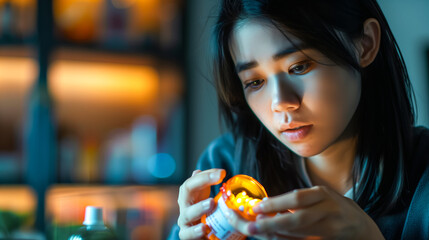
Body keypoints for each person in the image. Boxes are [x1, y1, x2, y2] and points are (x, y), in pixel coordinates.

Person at [170, 0, 429, 239]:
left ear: (366, 43)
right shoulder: (224, 171)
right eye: (255, 82)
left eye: (299, 67)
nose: (280, 102)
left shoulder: (422, 181)